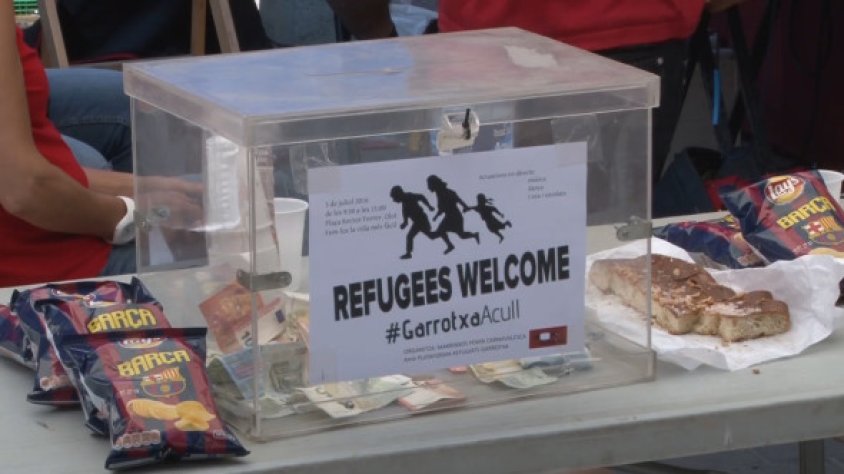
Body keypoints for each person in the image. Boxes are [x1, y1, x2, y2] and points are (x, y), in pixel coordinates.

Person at [327, 0, 707, 187]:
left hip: (484, 45)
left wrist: (380, 37)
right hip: (631, 33)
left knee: (479, 241)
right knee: (606, 244)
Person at [0, 7, 201, 287]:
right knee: (224, 249)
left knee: (196, 195)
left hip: (31, 216)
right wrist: (138, 217)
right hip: (35, 258)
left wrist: (142, 187)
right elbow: (25, 188)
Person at [426, 175, 480, 254]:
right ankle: (451, 244)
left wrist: (465, 207)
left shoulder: (447, 192)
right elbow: (442, 208)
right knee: (454, 233)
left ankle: (471, 236)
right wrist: (436, 216)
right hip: (450, 217)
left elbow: (458, 200)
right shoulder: (439, 194)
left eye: (430, 184)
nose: (429, 187)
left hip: (455, 217)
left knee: (461, 235)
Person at [390, 184, 436, 259]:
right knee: (410, 236)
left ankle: (443, 232)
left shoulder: (409, 196)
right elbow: (405, 216)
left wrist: (429, 206)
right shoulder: (404, 203)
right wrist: (404, 223)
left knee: (431, 236)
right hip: (417, 222)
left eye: (395, 197)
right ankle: (408, 253)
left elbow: (421, 196)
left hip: (422, 220)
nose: (395, 200)